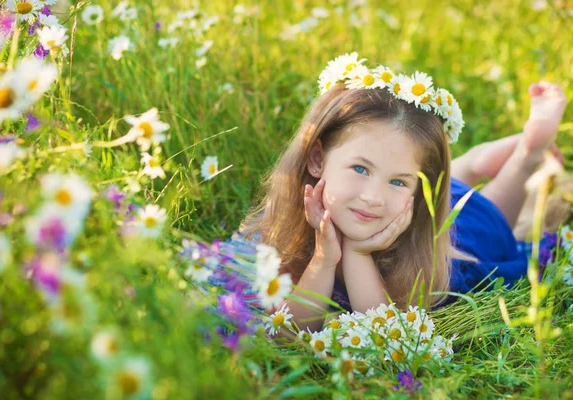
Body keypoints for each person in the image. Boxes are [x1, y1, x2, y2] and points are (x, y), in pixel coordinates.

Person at [239, 53, 567, 332]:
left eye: (396, 181)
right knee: (442, 180)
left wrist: (357, 252)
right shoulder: (290, 226)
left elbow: (383, 332)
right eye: (360, 169)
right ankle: (471, 164)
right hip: (419, 192)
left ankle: (527, 156)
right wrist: (325, 258)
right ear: (316, 159)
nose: (373, 197)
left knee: (489, 218)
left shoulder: (425, 240)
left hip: (458, 224)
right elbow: (289, 330)